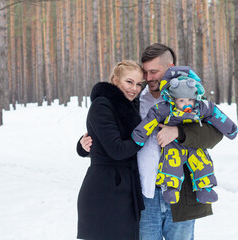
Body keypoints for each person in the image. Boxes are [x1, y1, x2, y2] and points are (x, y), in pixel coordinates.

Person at [78, 43, 223, 240]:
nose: (147, 79)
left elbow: (215, 133)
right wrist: (83, 145)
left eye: (153, 72)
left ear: (170, 67)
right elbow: (110, 132)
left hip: (180, 194)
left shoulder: (190, 96)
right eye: (145, 72)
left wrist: (179, 132)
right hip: (144, 196)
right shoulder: (135, 101)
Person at [132, 66, 238, 205]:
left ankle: (205, 188)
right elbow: (151, 119)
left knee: (202, 162)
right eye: (182, 101)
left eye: (189, 100)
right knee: (171, 162)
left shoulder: (202, 107)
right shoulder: (165, 108)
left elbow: (216, 115)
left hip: (194, 145)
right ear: (174, 99)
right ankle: (171, 188)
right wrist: (140, 136)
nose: (187, 104)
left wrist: (231, 129)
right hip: (173, 144)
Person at [76, 60, 145, 240]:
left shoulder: (132, 106)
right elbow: (117, 149)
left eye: (139, 84)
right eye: (129, 82)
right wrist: (144, 137)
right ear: (115, 81)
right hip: (105, 191)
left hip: (124, 188)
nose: (134, 88)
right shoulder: (103, 105)